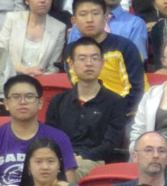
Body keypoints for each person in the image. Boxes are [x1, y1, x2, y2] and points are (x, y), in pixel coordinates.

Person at [42, 39, 127, 174]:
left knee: (69, 171)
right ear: (71, 65)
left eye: (94, 58)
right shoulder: (58, 101)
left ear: (102, 64)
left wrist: (81, 157)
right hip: (60, 159)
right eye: (82, 59)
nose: (89, 63)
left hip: (95, 161)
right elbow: (51, 139)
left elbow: (111, 144)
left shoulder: (116, 102)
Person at [66, 0, 144, 113]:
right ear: (74, 21)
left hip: (124, 113)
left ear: (106, 18)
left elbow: (136, 90)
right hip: (88, 113)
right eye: (83, 14)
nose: (89, 19)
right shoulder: (71, 50)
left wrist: (108, 113)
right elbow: (77, 85)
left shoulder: (125, 47)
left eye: (95, 13)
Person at [0, 0, 66, 77]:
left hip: (40, 81)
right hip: (9, 77)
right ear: (26, 0)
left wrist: (37, 79)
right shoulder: (12, 19)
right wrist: (24, 70)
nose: (42, 0)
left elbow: (53, 68)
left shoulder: (59, 28)